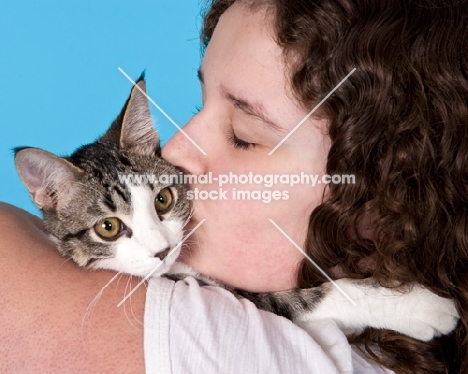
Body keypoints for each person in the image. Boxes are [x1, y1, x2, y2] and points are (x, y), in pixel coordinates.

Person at [1, 0, 466, 373]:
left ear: (383, 206)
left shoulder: (229, 350)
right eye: (197, 105)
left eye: (243, 136)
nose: (177, 152)